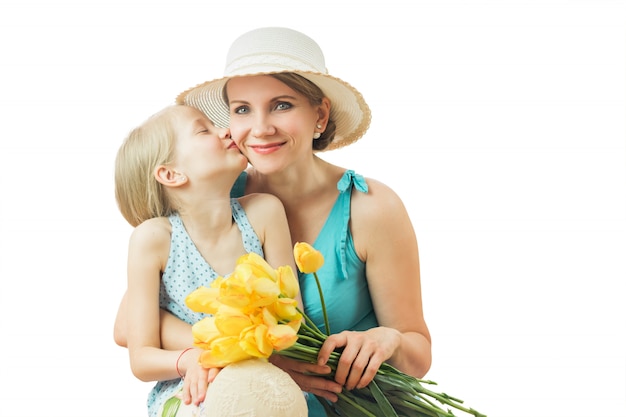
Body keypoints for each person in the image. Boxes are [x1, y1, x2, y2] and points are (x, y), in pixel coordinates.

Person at [114, 27, 432, 416]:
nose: (260, 128)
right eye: (243, 109)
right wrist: (248, 348)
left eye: (282, 105)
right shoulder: (212, 194)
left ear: (320, 114)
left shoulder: (370, 208)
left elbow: (418, 358)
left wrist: (391, 341)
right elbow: (127, 328)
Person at [114, 103, 297, 416]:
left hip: (262, 381)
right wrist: (189, 358)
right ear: (171, 174)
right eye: (204, 130)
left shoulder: (265, 212)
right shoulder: (153, 240)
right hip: (193, 391)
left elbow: (292, 319)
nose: (226, 130)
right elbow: (140, 356)